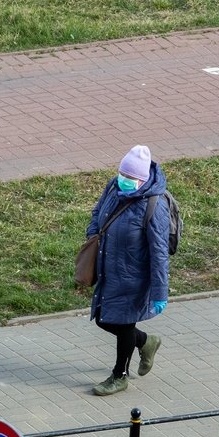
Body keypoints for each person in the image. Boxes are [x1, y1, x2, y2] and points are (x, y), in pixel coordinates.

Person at [86, 145, 169, 396]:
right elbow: (98, 212)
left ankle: (119, 376)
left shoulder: (154, 205)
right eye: (122, 174)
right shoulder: (114, 187)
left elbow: (159, 253)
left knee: (123, 325)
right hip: (109, 270)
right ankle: (145, 341)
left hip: (135, 278)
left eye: (130, 177)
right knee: (103, 318)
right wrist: (92, 235)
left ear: (142, 179)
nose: (124, 179)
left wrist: (159, 293)